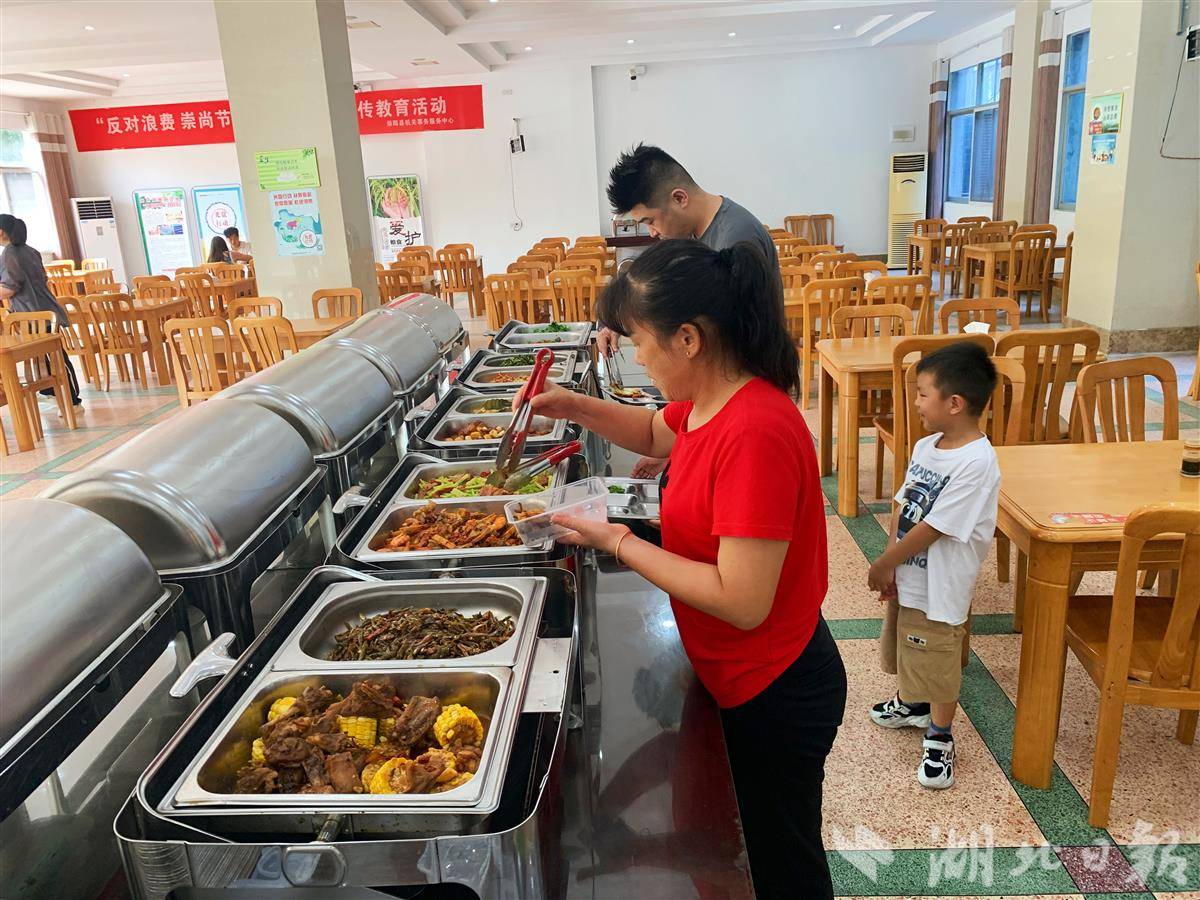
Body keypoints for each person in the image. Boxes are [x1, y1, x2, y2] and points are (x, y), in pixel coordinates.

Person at [522, 238, 846, 899]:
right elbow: (652, 432)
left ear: (689, 339)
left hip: (775, 687)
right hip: (736, 672)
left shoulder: (755, 430)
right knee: (744, 849)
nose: (637, 357)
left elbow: (741, 599)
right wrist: (573, 405)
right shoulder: (710, 401)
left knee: (782, 865)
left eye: (641, 341)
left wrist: (616, 540)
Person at [867, 342, 1001, 789]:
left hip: (943, 583)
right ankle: (914, 703)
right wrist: (892, 563)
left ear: (955, 403)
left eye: (923, 394)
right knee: (908, 639)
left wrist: (884, 563)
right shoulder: (927, 446)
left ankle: (940, 735)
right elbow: (903, 506)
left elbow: (936, 527)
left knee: (938, 653)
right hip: (910, 570)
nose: (917, 403)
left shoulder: (977, 462)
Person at [603, 143, 779, 478]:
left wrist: (680, 443)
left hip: (740, 404)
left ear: (679, 198)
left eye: (651, 220)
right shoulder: (697, 233)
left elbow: (726, 349)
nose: (652, 232)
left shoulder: (734, 238)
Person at [0, 214, 82, 407]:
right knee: (50, 355)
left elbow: (10, 287)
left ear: (1, 232)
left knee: (54, 356)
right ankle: (53, 392)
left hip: (33, 314)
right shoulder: (30, 250)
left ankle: (72, 400)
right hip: (44, 310)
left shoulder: (10, 254)